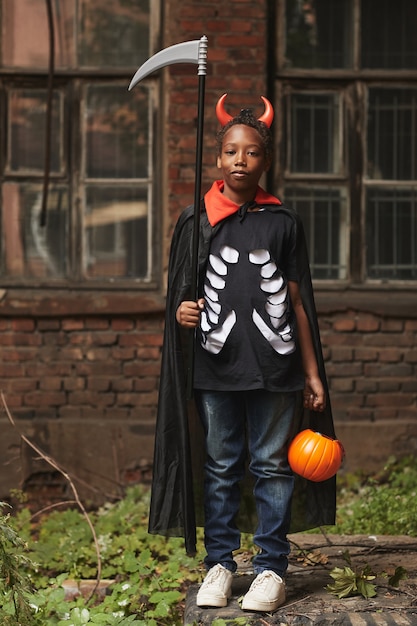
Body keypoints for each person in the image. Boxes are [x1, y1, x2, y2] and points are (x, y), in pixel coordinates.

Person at [148, 94, 337, 613]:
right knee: (221, 464)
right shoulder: (196, 221)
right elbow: (180, 298)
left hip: (276, 368)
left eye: (251, 152)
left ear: (265, 162)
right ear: (217, 159)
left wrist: (312, 373)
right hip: (215, 366)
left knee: (273, 466)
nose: (239, 160)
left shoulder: (284, 223)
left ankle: (271, 569)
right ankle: (219, 564)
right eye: (231, 150)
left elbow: (297, 302)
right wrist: (182, 314)